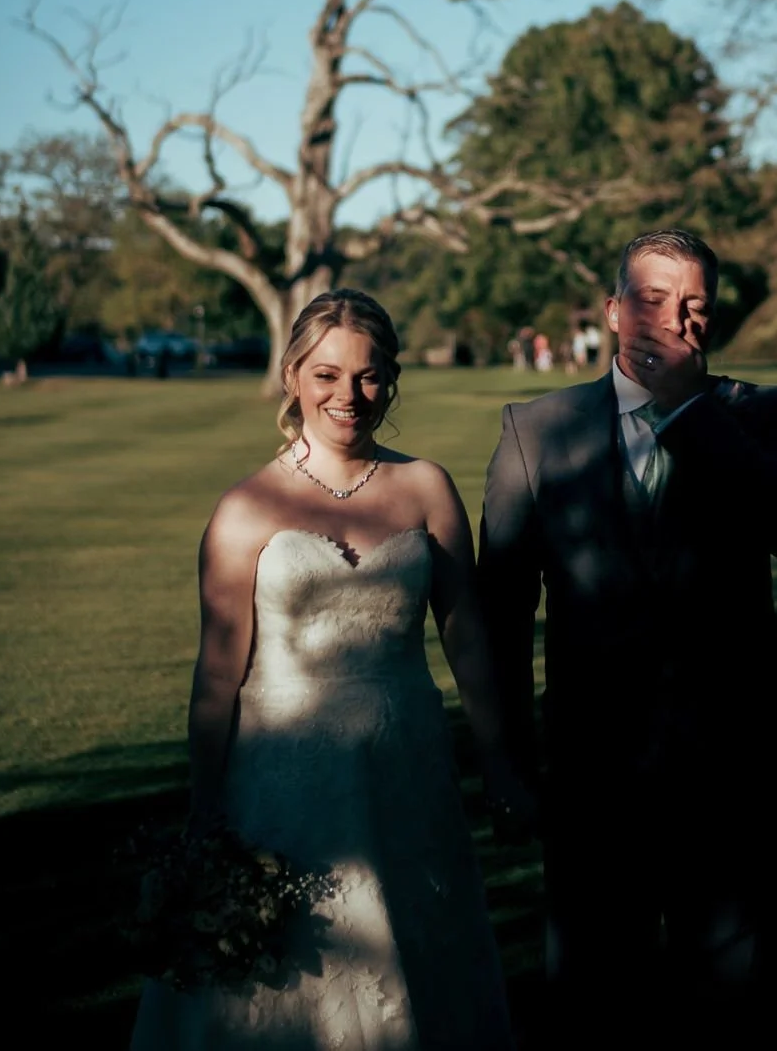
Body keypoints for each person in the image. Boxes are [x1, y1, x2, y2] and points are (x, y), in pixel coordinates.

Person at [132, 289, 524, 1051]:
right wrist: (203, 812)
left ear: (392, 379)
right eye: (327, 375)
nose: (350, 396)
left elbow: (466, 638)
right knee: (285, 981)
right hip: (281, 782)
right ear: (292, 376)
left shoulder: (426, 488)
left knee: (418, 956)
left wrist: (501, 764)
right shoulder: (246, 508)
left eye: (370, 376)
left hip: (404, 770)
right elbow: (218, 675)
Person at [477, 229, 777, 1036]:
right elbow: (500, 612)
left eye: (694, 304)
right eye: (654, 299)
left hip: (734, 778)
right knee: (596, 1003)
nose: (676, 319)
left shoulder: (759, 413)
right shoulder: (537, 430)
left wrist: (687, 409)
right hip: (593, 780)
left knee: (736, 1000)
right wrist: (506, 763)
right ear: (611, 311)